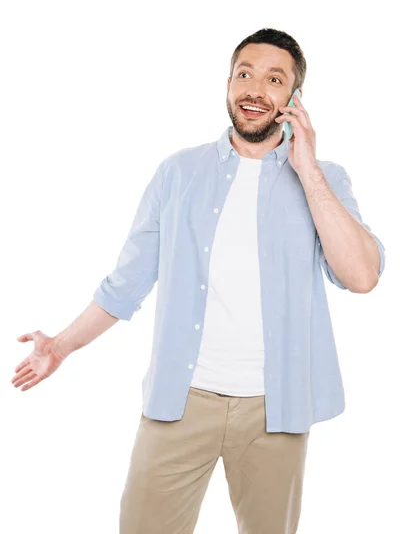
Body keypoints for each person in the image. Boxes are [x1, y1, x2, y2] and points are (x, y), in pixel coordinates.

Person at [11, 27, 385, 534]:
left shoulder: (326, 178)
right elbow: (126, 284)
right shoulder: (178, 174)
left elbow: (362, 276)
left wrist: (307, 167)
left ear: (294, 98)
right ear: (228, 83)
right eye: (245, 74)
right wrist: (60, 345)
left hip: (277, 408)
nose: (255, 89)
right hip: (180, 400)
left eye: (274, 79)